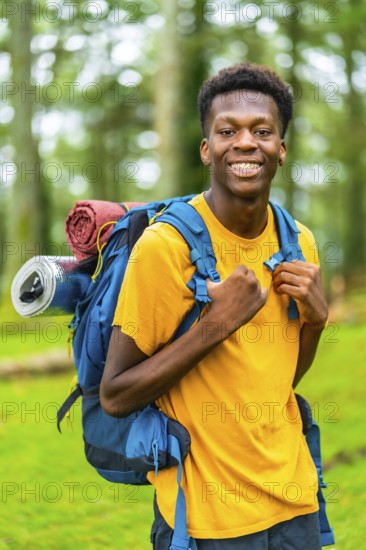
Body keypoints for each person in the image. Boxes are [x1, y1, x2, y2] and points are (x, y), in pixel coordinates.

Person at [100, 63, 328, 550]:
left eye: (262, 131)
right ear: (207, 149)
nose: (245, 143)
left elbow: (278, 379)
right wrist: (215, 325)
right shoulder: (166, 248)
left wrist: (317, 321)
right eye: (228, 131)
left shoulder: (299, 242)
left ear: (281, 150)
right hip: (207, 519)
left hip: (295, 500)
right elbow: (116, 395)